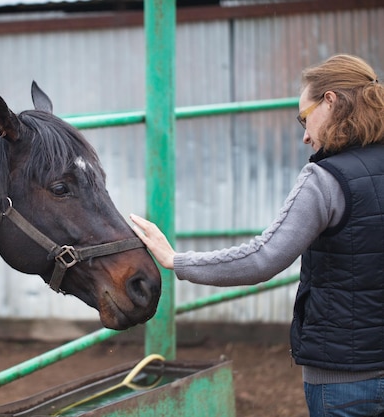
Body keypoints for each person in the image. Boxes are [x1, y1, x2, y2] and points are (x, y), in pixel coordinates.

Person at [130, 54, 384, 417]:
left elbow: (262, 258)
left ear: (329, 102)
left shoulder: (326, 180)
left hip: (344, 380)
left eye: (303, 117)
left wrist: (176, 261)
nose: (305, 134)